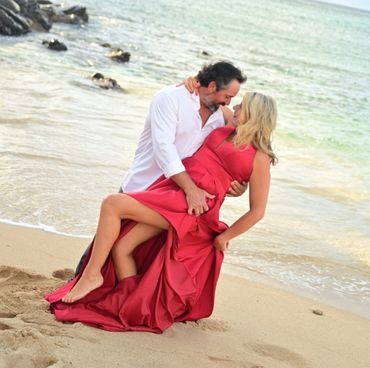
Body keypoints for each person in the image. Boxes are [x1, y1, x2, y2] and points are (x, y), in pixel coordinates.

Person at [45, 91, 278, 334]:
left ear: (253, 114)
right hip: (177, 190)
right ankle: (130, 302)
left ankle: (92, 276)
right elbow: (205, 95)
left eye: (242, 106)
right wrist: (188, 83)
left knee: (112, 204)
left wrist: (225, 236)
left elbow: (258, 211)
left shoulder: (260, 157)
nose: (236, 107)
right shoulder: (228, 128)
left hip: (194, 208)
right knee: (122, 248)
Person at [74, 61, 247, 276]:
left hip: (173, 196)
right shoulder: (170, 98)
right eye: (228, 96)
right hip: (144, 184)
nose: (229, 103)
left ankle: (124, 298)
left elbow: (241, 148)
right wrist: (191, 189)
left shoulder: (220, 116)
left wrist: (242, 186)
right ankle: (79, 279)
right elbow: (164, 149)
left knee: (140, 252)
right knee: (104, 246)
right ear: (212, 86)